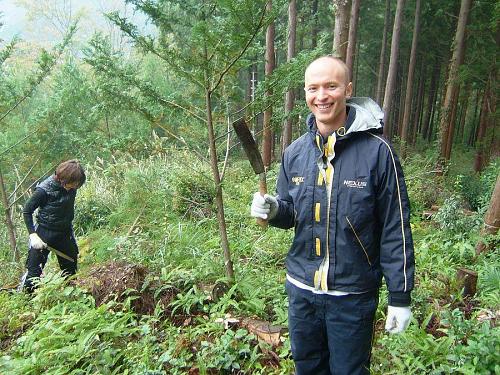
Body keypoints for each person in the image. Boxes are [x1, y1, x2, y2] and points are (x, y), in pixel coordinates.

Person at [251, 56, 415, 375]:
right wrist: (273, 209)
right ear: (305, 93)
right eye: (313, 88)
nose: (322, 96)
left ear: (348, 89)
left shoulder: (378, 153)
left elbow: (395, 228)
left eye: (331, 86)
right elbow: (291, 213)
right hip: (301, 291)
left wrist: (400, 295)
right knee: (308, 368)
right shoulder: (295, 153)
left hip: (352, 296)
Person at [20, 159, 86, 293]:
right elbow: (27, 211)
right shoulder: (43, 190)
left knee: (70, 267)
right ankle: (26, 301)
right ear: (61, 179)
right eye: (70, 185)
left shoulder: (72, 184)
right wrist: (33, 235)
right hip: (44, 232)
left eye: (75, 186)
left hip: (64, 232)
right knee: (34, 272)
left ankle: (71, 297)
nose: (72, 188)